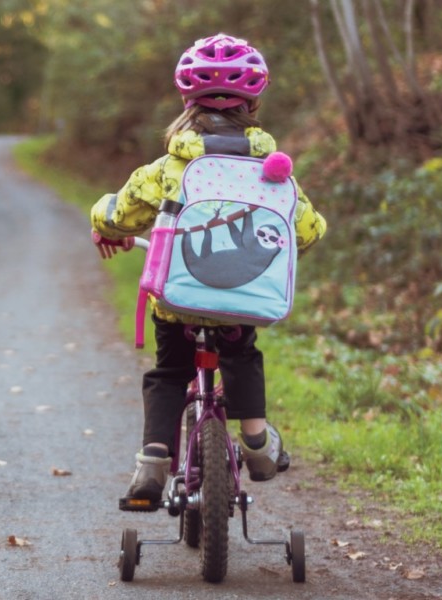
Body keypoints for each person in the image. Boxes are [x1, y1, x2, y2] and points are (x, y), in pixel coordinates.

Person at [88, 34, 328, 501]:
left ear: (186, 100)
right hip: (241, 305)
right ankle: (257, 442)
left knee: (169, 372)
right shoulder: (272, 171)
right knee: (241, 355)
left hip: (179, 302)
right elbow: (309, 230)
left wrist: (104, 223)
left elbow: (120, 211)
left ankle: (153, 462)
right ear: (254, 103)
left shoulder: (169, 168)